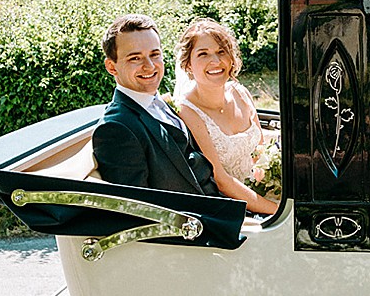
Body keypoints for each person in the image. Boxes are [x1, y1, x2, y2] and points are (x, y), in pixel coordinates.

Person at [92, 14, 220, 196]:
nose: (150, 66)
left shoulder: (161, 103)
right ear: (111, 67)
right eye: (135, 58)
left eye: (154, 54)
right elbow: (139, 206)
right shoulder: (116, 129)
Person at [176, 19, 279, 215]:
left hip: (263, 194)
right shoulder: (187, 111)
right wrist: (278, 211)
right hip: (234, 210)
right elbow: (221, 180)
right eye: (203, 54)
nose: (216, 61)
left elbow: (260, 153)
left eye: (221, 51)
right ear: (188, 64)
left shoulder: (241, 93)